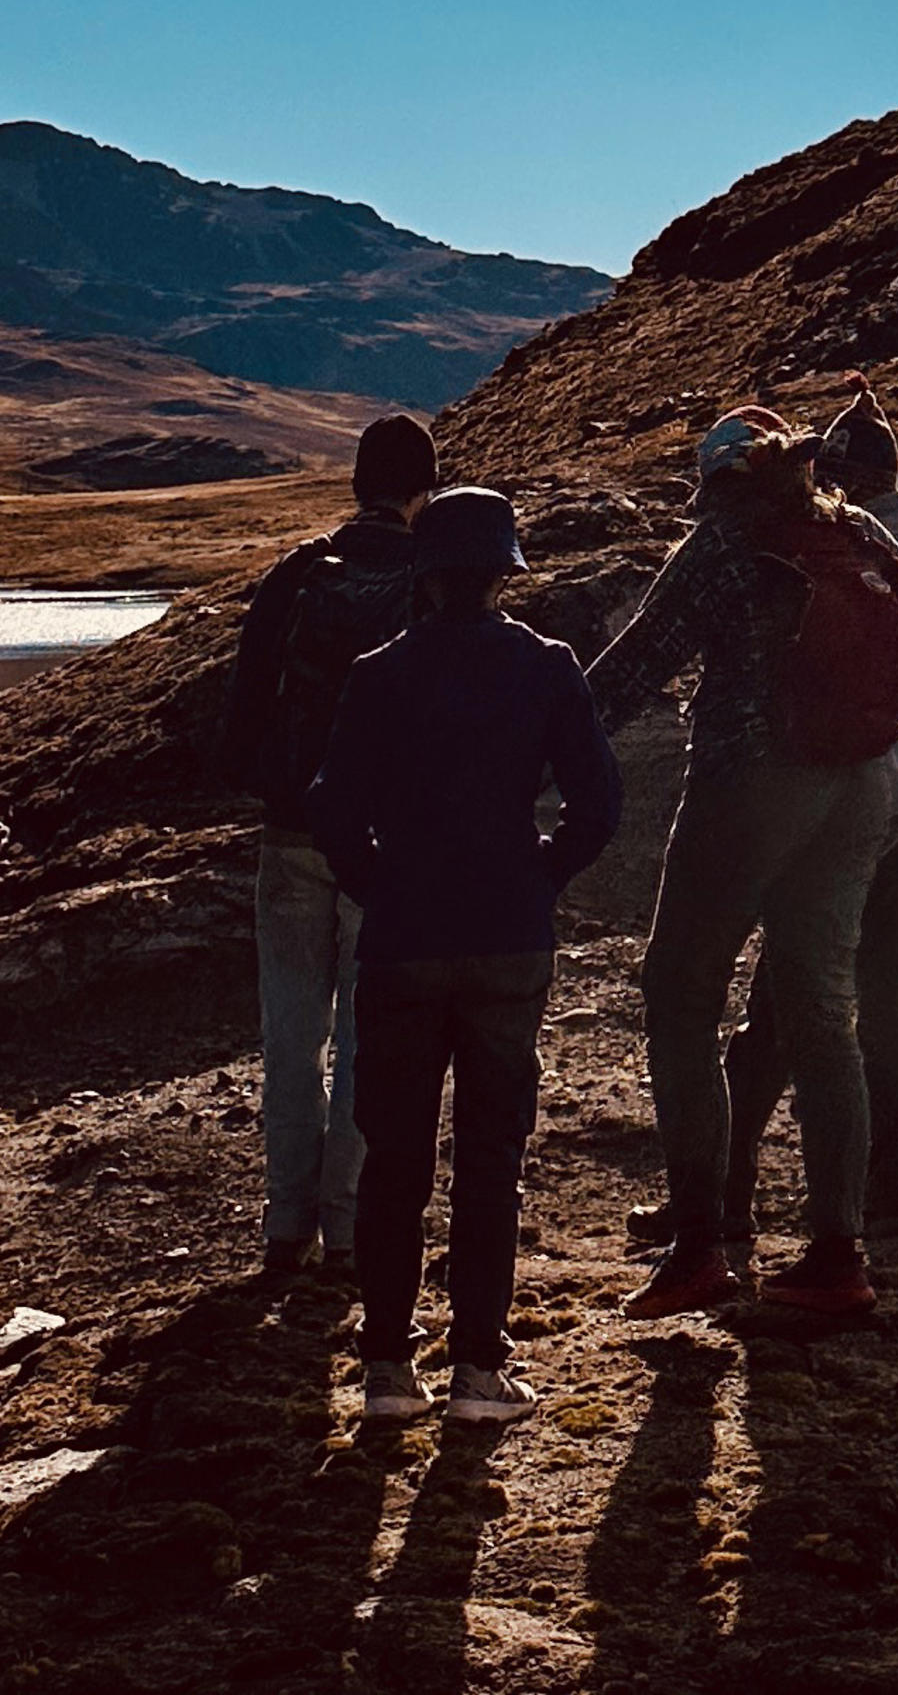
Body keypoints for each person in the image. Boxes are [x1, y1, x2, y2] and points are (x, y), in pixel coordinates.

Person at [590, 404, 898, 1323]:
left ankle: (701, 1247)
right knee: (824, 1012)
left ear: (722, 482)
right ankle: (838, 1257)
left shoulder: (725, 543)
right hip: (860, 790)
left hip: (752, 785)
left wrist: (518, 757)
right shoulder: (854, 529)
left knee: (680, 993)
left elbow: (630, 670)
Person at [627, 374, 898, 1269]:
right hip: (885, 797)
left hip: (773, 790)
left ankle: (708, 1227)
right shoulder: (881, 540)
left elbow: (633, 670)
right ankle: (858, 1236)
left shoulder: (743, 543)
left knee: (698, 996)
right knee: (846, 1009)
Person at [308, 488, 623, 1425]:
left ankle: (385, 1371)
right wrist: (538, 877)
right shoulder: (547, 667)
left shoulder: (378, 674)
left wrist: (380, 886)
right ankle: (480, 1373)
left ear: (425, 576)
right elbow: (598, 805)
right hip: (507, 941)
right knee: (492, 1157)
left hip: (404, 941)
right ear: (502, 574)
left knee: (394, 1156)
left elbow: (331, 810)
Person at [219, 413, 439, 1274]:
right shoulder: (432, 577)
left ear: (356, 482)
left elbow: (242, 713)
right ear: (423, 489)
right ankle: (348, 1224)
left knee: (290, 1030)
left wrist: (277, 787)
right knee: (367, 1035)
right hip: (388, 845)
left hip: (291, 828)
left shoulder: (299, 573)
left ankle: (284, 1224)